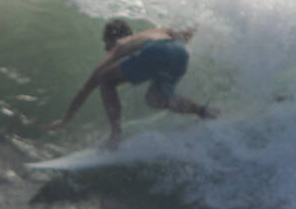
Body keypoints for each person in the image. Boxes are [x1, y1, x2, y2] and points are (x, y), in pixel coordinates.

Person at [46, 19, 217, 149]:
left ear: (112, 39)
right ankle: (203, 111)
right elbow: (185, 35)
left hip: (155, 51)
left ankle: (115, 134)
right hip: (180, 54)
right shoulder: (157, 31)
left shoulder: (119, 45)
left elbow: (87, 88)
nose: (106, 49)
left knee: (106, 80)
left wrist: (65, 120)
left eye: (106, 43)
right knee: (155, 99)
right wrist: (202, 23)